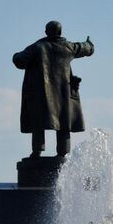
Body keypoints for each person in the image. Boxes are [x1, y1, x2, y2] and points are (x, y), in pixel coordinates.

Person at [13, 20, 94, 158]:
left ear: (46, 32)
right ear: (60, 32)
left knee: (38, 122)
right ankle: (63, 153)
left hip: (41, 94)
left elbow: (19, 60)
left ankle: (37, 151)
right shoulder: (69, 47)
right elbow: (86, 48)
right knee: (64, 121)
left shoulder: (37, 47)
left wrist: (16, 55)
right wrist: (89, 44)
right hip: (63, 93)